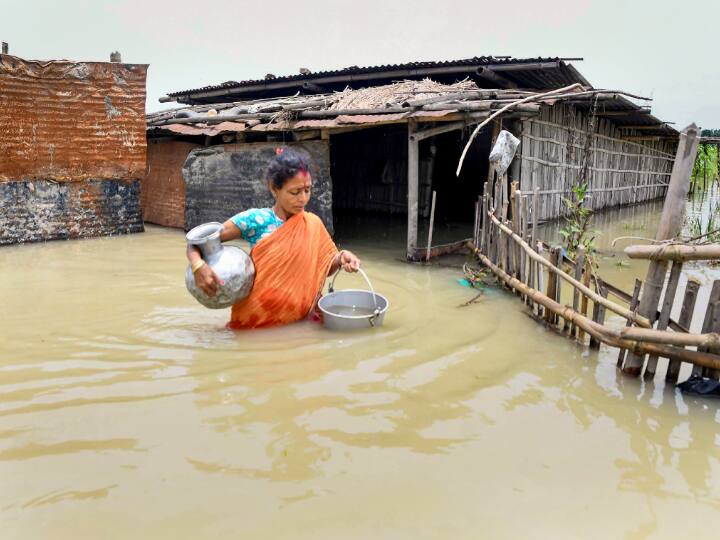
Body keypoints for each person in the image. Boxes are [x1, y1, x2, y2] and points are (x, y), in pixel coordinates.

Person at [186, 148, 361, 329]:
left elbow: (324, 268)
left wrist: (341, 259)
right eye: (295, 192)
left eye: (307, 190)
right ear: (274, 188)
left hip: (301, 321)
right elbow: (196, 243)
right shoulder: (255, 220)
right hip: (255, 321)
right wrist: (198, 266)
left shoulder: (313, 224)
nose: (303, 199)